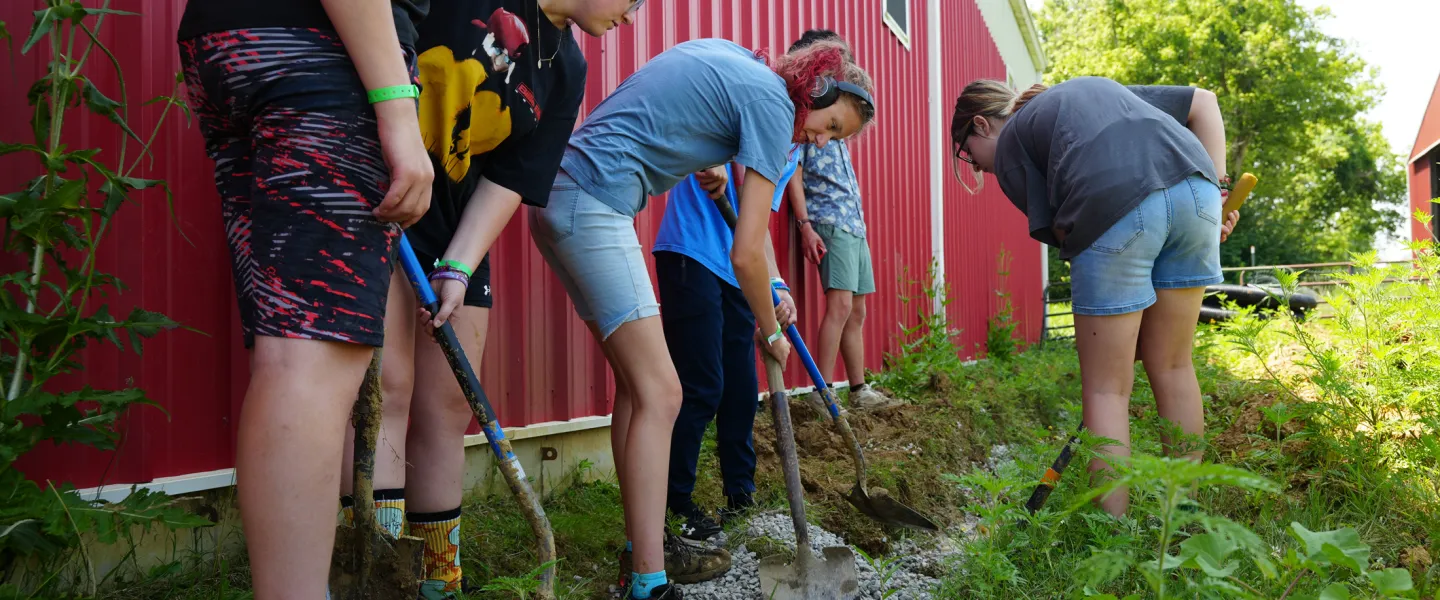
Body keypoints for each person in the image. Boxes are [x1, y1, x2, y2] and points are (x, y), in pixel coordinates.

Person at [529, 37, 876, 599]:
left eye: (836, 137)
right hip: (594, 201)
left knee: (636, 390)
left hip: (562, 195)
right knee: (665, 394)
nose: (823, 139)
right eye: (832, 124)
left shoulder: (741, 65)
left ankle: (641, 550)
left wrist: (708, 157)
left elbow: (681, 106)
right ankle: (650, 581)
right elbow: (745, 252)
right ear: (816, 88)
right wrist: (769, 328)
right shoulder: (771, 104)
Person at [330, 1, 643, 598]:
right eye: (632, 1)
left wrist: (459, 263)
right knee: (387, 390)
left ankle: (438, 578)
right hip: (384, 182)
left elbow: (512, 174)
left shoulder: (567, 67)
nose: (632, 15)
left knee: (449, 404)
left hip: (456, 215)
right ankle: (375, 575)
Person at [177, 0, 432, 596]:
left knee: (285, 355)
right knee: (305, 364)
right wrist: (396, 106)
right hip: (325, 52)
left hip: (228, 43)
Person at [949, 76, 1240, 516]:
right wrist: (1218, 196)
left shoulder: (1010, 148)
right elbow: (1204, 102)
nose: (979, 170)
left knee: (1107, 391)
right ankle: (1181, 520)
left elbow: (1070, 232)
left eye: (971, 157)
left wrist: (1119, 334)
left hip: (1116, 201)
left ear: (982, 126)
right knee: (1175, 366)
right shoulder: (1092, 92)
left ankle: (1113, 535)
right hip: (1197, 190)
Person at [655, 151, 802, 546]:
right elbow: (705, 125)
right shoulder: (759, 104)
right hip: (690, 251)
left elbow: (757, 226)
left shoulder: (791, 151)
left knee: (740, 389)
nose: (822, 141)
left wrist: (777, 283)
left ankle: (740, 494)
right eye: (830, 127)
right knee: (702, 386)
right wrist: (715, 156)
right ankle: (674, 504)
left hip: (739, 268)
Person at [782, 29, 901, 414]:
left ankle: (859, 389)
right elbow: (793, 174)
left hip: (854, 224)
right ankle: (822, 390)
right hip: (830, 222)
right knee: (839, 307)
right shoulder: (808, 123)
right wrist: (805, 224)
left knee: (858, 310)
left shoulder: (839, 124)